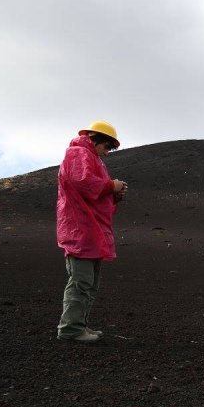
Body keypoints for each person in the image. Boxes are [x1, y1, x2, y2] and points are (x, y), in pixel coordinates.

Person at [56, 121, 128, 342]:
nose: (107, 153)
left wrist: (114, 193)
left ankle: (80, 326)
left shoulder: (92, 158)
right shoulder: (78, 153)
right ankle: (71, 329)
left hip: (91, 232)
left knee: (89, 283)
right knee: (81, 282)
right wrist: (110, 186)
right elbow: (83, 182)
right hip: (81, 231)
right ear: (96, 139)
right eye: (107, 147)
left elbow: (94, 194)